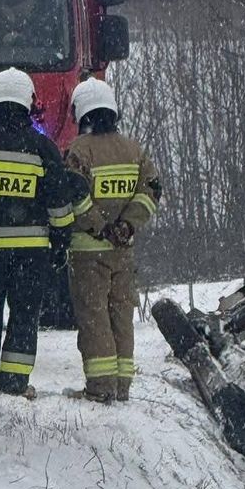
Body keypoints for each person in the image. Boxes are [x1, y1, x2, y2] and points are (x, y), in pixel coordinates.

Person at [0, 68, 80, 400]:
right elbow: (59, 204)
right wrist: (61, 244)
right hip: (31, 253)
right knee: (24, 315)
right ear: (28, 102)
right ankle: (15, 382)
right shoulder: (42, 147)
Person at [64, 78, 161, 403]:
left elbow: (75, 194)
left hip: (88, 252)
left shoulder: (81, 149)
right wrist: (127, 226)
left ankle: (100, 387)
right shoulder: (133, 149)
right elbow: (151, 191)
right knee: (121, 314)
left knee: (94, 317)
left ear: (82, 111)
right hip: (124, 252)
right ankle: (122, 385)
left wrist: (99, 226)